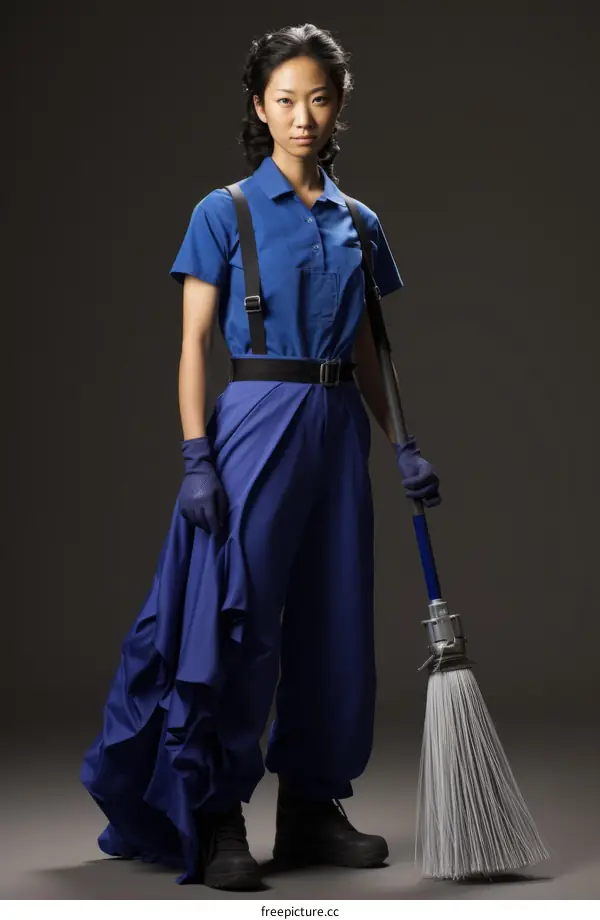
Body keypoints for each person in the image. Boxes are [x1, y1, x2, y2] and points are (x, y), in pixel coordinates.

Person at [80, 23, 441, 892]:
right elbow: (193, 345)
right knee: (236, 623)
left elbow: (366, 352)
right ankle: (215, 817)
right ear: (259, 106)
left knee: (336, 622)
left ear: (338, 103)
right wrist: (195, 455)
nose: (302, 115)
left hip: (336, 427)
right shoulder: (224, 210)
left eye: (318, 97)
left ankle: (314, 806)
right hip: (255, 422)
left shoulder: (360, 221)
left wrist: (405, 447)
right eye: (285, 99)